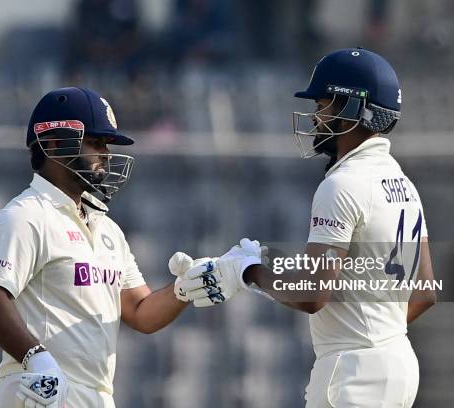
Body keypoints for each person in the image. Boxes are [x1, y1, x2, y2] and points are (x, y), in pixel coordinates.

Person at [176, 48, 437, 407]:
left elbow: (311, 296)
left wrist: (247, 271)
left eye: (323, 105)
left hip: (352, 371)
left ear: (351, 109)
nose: (315, 117)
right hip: (399, 362)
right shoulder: (403, 183)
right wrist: (378, 334)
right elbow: (424, 293)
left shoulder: (341, 184)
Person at [0, 87, 220, 408]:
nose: (104, 154)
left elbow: (140, 312)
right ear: (52, 143)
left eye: (105, 144)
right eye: (94, 142)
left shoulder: (107, 229)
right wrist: (38, 361)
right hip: (39, 389)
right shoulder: (25, 216)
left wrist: (183, 289)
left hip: (95, 394)